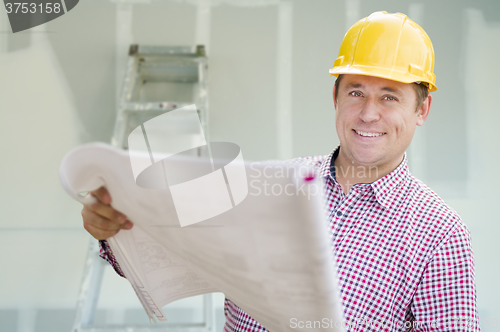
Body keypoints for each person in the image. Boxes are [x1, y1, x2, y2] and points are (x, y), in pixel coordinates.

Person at [81, 11, 479, 331]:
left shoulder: (439, 234)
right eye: (356, 91)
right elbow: (174, 253)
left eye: (389, 97)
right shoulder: (267, 185)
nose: (368, 113)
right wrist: (114, 229)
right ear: (336, 97)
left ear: (421, 110)